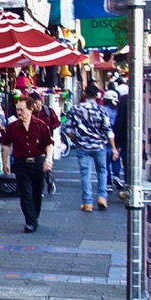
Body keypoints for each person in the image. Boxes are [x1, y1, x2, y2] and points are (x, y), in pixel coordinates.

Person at [0, 96, 55, 232]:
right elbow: (6, 145)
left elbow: (49, 144)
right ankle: (30, 221)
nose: (19, 113)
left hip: (37, 162)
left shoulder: (41, 125)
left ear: (30, 109)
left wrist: (48, 160)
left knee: (37, 192)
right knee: (25, 193)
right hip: (21, 164)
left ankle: (34, 216)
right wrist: (5, 162)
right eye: (17, 110)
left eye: (22, 110)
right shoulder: (12, 127)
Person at [63, 84, 119, 212]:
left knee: (85, 173)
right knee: (102, 171)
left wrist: (75, 138)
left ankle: (87, 202)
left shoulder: (76, 109)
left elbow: (67, 127)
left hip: (83, 146)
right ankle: (102, 197)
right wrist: (114, 148)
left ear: (85, 94)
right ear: (97, 95)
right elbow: (108, 130)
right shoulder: (102, 110)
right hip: (99, 145)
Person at [27, 89, 61, 194]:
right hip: (33, 143)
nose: (36, 106)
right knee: (36, 166)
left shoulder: (48, 111)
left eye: (37, 103)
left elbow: (57, 123)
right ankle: (38, 188)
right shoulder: (29, 113)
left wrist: (48, 127)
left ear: (40, 101)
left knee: (46, 164)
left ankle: (49, 181)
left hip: (47, 142)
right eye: (33, 104)